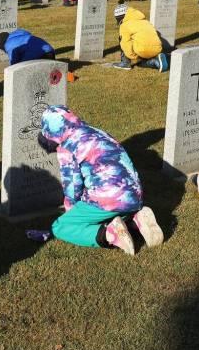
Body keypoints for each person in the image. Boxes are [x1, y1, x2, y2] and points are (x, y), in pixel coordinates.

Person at [36, 106, 163, 254]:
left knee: (60, 227)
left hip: (108, 198)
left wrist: (71, 211)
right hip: (134, 194)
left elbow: (73, 186)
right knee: (110, 209)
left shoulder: (67, 147)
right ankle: (136, 220)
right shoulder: (95, 131)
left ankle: (110, 234)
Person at [112, 3, 168, 71]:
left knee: (122, 39)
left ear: (120, 18)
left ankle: (125, 63)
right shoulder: (145, 21)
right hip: (158, 48)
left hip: (143, 49)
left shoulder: (124, 25)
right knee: (142, 60)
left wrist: (134, 57)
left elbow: (125, 44)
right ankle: (157, 58)